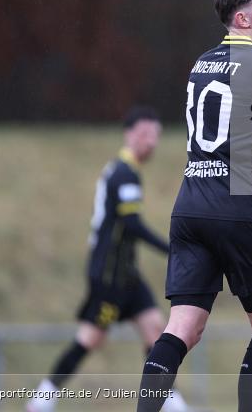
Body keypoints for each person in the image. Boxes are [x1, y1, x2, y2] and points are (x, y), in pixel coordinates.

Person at [136, 0, 252, 412]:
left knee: (182, 328)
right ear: (243, 21)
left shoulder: (202, 62)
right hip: (239, 206)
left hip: (190, 206)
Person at [27, 106, 188, 412]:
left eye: (156, 135)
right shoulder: (123, 173)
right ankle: (45, 394)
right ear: (128, 134)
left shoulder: (125, 172)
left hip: (127, 274)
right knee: (91, 337)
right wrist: (172, 248)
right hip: (109, 276)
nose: (151, 141)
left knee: (156, 329)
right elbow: (131, 224)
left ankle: (167, 397)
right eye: (144, 133)